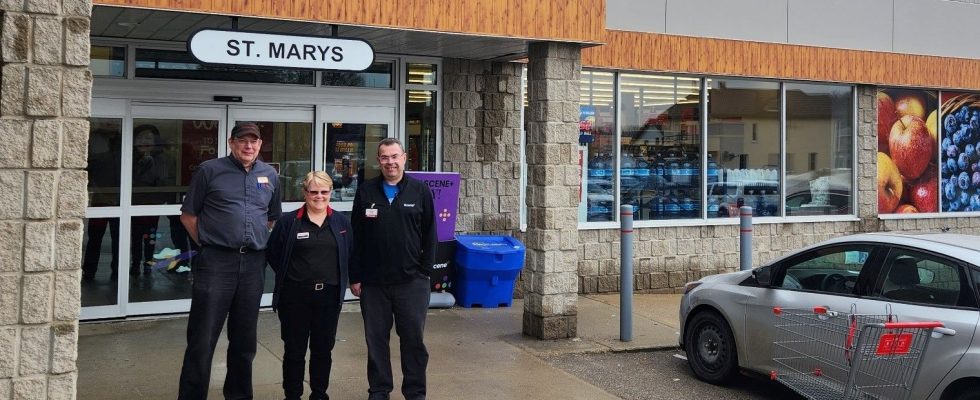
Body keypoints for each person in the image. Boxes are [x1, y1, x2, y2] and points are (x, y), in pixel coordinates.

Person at [177, 122, 281, 400]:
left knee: (245, 340)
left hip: (253, 265)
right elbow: (188, 216)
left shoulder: (269, 175)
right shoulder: (209, 171)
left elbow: (271, 217)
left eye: (254, 141)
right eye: (243, 140)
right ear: (230, 142)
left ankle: (238, 395)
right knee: (202, 338)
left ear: (260, 144)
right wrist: (209, 243)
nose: (249, 146)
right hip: (216, 263)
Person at [350, 137, 436, 400]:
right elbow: (356, 237)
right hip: (374, 284)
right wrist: (355, 276)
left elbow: (430, 235)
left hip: (411, 282)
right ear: (379, 160)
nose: (390, 162)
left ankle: (415, 392)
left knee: (413, 342)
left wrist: (425, 272)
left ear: (404, 157)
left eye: (394, 156)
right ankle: (379, 390)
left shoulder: (420, 191)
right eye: (385, 157)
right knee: (376, 341)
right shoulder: (366, 191)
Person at [267, 171, 352, 400]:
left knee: (323, 350)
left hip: (329, 297)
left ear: (331, 193)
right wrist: (295, 277)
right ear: (305, 193)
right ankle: (292, 395)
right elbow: (274, 254)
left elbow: (349, 254)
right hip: (295, 297)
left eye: (324, 192)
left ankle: (319, 393)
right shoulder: (289, 221)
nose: (319, 196)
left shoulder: (341, 222)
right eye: (314, 192)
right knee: (294, 351)